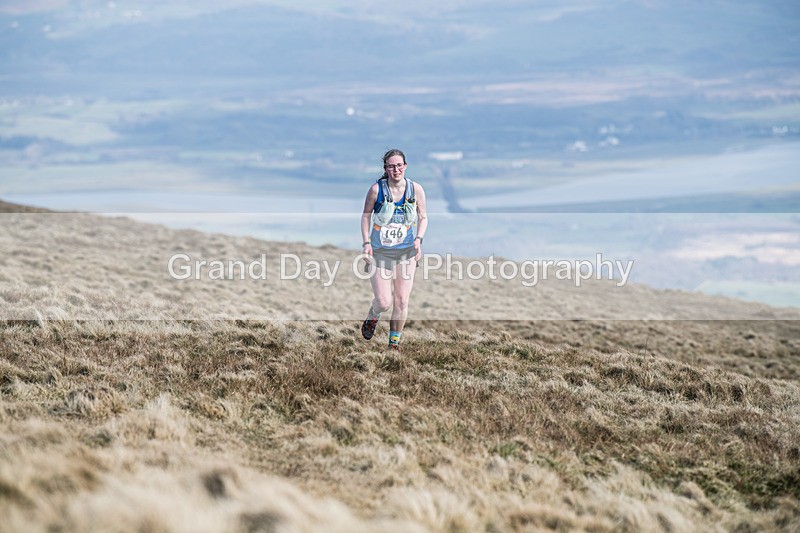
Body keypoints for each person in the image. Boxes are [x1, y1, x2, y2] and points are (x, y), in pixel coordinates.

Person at [360, 148, 428, 351]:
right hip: (380, 251)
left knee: (401, 301)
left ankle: (393, 346)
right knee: (383, 301)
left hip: (406, 250)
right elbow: (365, 217)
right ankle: (373, 315)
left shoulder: (416, 189)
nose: (396, 169)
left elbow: (423, 217)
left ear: (405, 166)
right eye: (391, 166)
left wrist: (418, 239)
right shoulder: (376, 190)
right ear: (386, 168)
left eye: (399, 165)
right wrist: (366, 244)